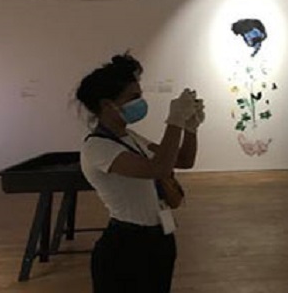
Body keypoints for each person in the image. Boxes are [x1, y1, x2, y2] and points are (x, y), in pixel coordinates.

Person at [75, 52, 205, 293]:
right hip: (126, 247)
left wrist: (190, 128)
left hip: (159, 239)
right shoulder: (97, 148)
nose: (141, 102)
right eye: (133, 97)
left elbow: (183, 160)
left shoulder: (131, 137)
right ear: (106, 104)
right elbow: (159, 168)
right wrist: (175, 119)